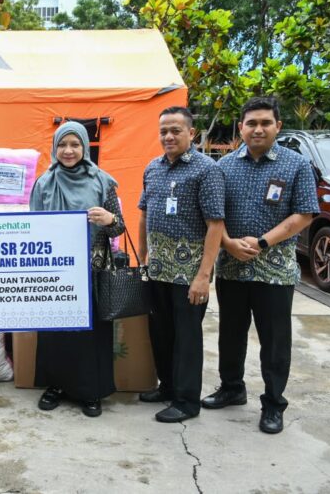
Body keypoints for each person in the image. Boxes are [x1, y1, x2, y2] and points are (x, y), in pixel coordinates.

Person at [202, 97, 318, 434]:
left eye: (265, 122)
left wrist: (263, 241)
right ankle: (232, 388)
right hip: (232, 268)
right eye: (251, 123)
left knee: (275, 340)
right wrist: (227, 244)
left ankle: (273, 403)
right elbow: (213, 214)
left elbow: (304, 214)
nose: (258, 128)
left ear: (278, 126)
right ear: (240, 127)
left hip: (275, 272)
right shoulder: (223, 167)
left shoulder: (296, 165)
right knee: (231, 334)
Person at [29, 121, 125, 417]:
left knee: (90, 333)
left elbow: (119, 226)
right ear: (54, 148)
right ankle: (55, 386)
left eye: (74, 144)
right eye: (62, 145)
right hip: (55, 270)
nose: (68, 151)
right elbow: (32, 228)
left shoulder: (103, 182)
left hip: (92, 270)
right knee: (56, 332)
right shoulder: (44, 183)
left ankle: (90, 391)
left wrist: (109, 219)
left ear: (84, 147)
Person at [138, 106, 225, 423]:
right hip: (158, 269)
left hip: (189, 274)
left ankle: (187, 401)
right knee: (161, 333)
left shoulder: (206, 170)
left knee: (186, 337)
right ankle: (167, 387)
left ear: (191, 133)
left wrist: (204, 276)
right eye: (163, 131)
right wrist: (143, 257)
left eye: (176, 130)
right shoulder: (152, 168)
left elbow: (215, 224)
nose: (169, 136)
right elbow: (144, 213)